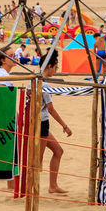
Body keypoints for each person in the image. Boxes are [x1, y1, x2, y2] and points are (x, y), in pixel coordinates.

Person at [39, 53, 73, 194]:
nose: (56, 70)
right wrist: (64, 126)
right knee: (37, 161)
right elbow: (51, 109)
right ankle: (30, 190)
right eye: (55, 67)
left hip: (40, 123)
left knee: (58, 151)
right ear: (49, 66)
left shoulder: (33, 80)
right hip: (41, 124)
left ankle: (53, 186)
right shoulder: (44, 84)